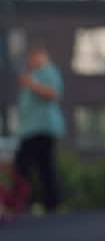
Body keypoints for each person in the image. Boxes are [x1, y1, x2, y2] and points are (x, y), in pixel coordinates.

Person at [14, 41, 65, 214]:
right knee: (26, 166)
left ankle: (51, 204)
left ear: (43, 57)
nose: (32, 61)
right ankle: (22, 203)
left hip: (43, 129)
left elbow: (53, 94)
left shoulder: (48, 72)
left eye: (36, 57)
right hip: (29, 130)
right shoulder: (32, 74)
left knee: (43, 166)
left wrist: (31, 84)